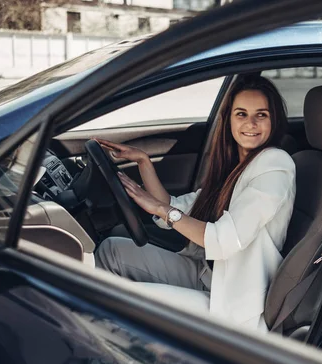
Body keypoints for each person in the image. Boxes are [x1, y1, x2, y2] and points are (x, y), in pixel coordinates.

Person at [95, 75, 296, 332]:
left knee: (115, 302)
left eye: (262, 115)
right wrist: (143, 162)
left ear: (274, 120)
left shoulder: (275, 164)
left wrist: (161, 210)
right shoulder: (236, 165)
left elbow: (224, 240)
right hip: (208, 274)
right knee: (111, 250)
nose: (251, 124)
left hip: (229, 301)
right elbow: (177, 206)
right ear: (229, 120)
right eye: (241, 114)